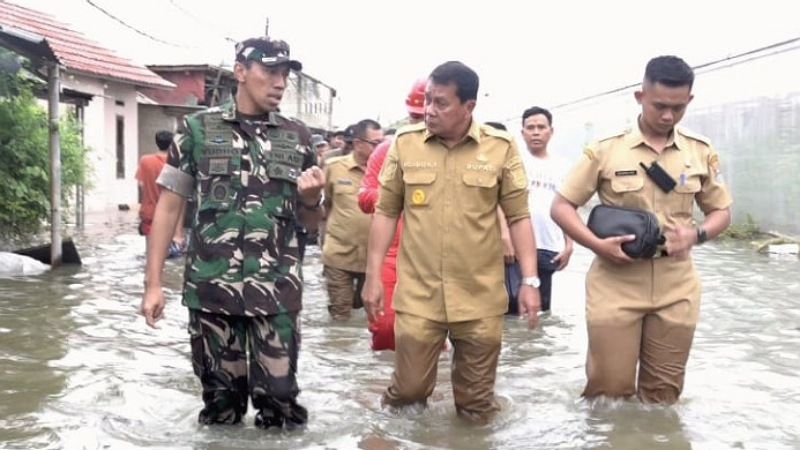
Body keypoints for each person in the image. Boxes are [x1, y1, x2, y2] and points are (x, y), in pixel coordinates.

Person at [139, 36, 326, 430]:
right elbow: (168, 208)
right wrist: (153, 284)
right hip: (211, 292)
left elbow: (311, 224)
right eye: (269, 71)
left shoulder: (300, 137)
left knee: (281, 407)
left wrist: (312, 200)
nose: (279, 83)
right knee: (220, 410)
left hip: (277, 294)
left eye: (284, 74)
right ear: (240, 72)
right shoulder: (197, 130)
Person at [362, 61, 541, 424]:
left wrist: (530, 281)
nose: (429, 110)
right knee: (408, 393)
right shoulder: (404, 144)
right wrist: (373, 277)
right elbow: (385, 211)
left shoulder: (500, 147)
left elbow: (520, 217)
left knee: (475, 405)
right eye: (427, 100)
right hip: (419, 296)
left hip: (479, 297)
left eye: (441, 103)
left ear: (469, 107)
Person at [550, 55, 732, 404]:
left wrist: (698, 234)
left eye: (678, 108)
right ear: (639, 97)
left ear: (689, 101)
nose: (668, 116)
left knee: (663, 396)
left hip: (676, 283)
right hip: (615, 280)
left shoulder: (700, 150)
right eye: (659, 106)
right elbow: (561, 207)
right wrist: (597, 245)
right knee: (608, 390)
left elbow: (721, 211)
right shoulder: (606, 148)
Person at [357, 78, 426, 351]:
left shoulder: (456, 153)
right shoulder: (388, 150)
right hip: (392, 251)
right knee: (385, 328)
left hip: (437, 254)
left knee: (430, 333)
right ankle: (381, 387)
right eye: (414, 116)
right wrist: (396, 196)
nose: (421, 122)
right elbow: (363, 197)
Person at [505, 106, 573, 314]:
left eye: (541, 127)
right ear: (522, 133)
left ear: (551, 131)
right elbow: (500, 202)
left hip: (549, 247)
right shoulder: (513, 163)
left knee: (540, 313)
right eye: (530, 127)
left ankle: (536, 349)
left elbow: (568, 207)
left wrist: (569, 245)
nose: (536, 132)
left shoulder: (563, 167)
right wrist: (505, 236)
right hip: (516, 247)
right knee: (512, 311)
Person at [321, 118, 383, 321]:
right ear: (358, 144)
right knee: (341, 315)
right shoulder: (333, 167)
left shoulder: (387, 172)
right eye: (376, 143)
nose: (381, 147)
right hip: (339, 255)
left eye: (382, 142)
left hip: (372, 260)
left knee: (371, 314)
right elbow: (326, 205)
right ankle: (338, 353)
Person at [135, 130, 185, 258]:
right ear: (172, 145)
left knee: (150, 256)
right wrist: (179, 232)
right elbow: (180, 194)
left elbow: (141, 186)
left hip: (149, 213)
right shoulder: (175, 164)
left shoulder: (145, 161)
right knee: (170, 257)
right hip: (170, 215)